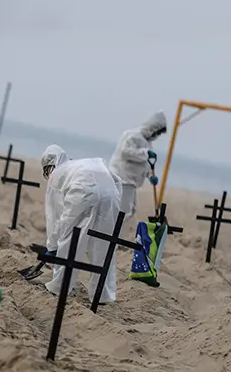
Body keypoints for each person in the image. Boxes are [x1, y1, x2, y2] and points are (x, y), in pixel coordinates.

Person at [39, 145, 124, 304]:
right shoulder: (84, 163)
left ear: (50, 167)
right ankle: (103, 295)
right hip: (111, 194)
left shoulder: (56, 176)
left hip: (82, 193)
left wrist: (52, 247)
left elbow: (55, 218)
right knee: (104, 243)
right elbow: (117, 181)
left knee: (70, 238)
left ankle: (60, 287)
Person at [107, 111, 167, 220]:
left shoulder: (147, 143)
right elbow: (125, 152)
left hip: (131, 182)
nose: (157, 136)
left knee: (130, 211)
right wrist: (145, 153)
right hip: (122, 179)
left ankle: (114, 231)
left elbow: (145, 164)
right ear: (152, 128)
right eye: (157, 132)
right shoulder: (132, 136)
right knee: (122, 211)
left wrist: (150, 176)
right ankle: (110, 232)